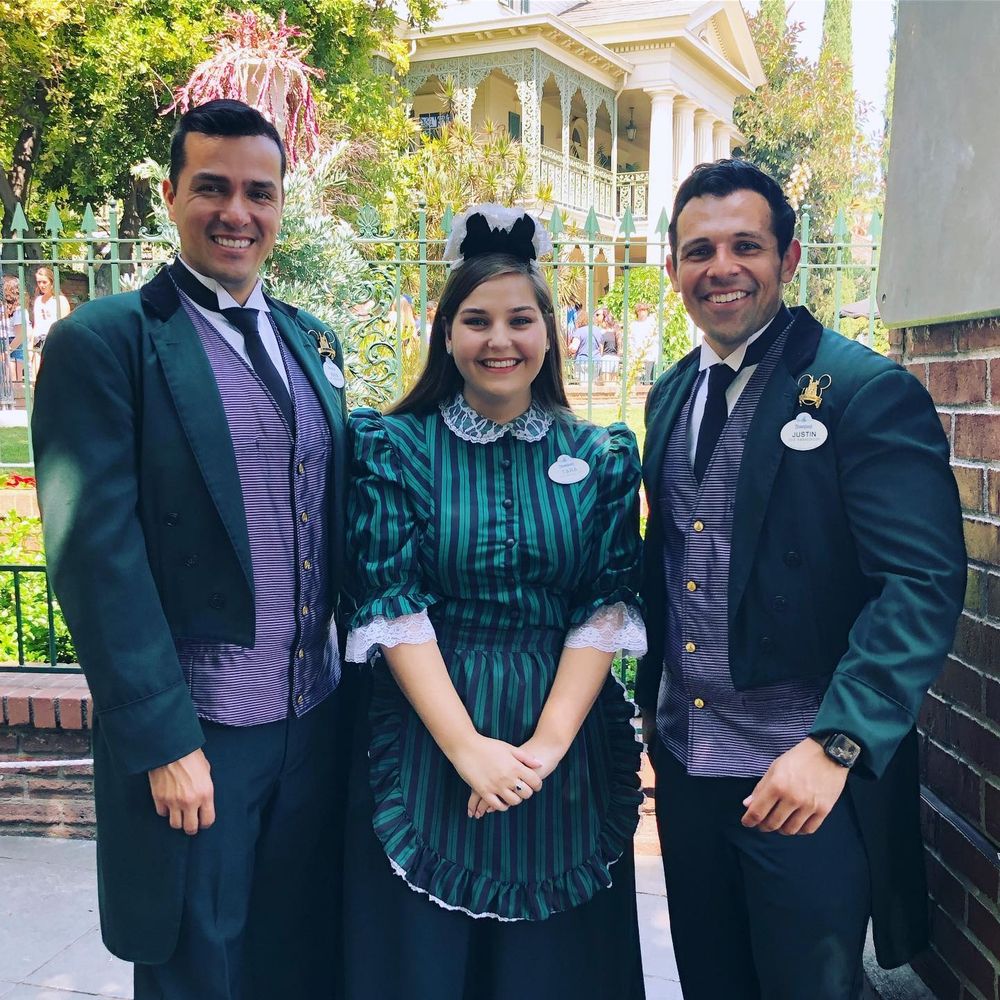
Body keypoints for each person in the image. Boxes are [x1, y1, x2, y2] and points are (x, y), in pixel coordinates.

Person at [32, 99, 349, 1000]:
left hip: (313, 721)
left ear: (283, 204)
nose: (236, 213)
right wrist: (165, 739)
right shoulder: (108, 342)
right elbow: (97, 556)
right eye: (212, 188)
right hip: (202, 736)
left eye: (260, 192)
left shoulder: (307, 339)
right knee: (198, 970)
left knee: (297, 959)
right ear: (172, 196)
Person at [637, 158, 966, 1000]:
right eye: (698, 249)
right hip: (687, 766)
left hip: (803, 777)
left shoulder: (864, 391)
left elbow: (921, 582)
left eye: (745, 245)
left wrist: (835, 745)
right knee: (712, 984)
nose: (721, 267)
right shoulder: (670, 395)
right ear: (673, 267)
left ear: (786, 258)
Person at [343, 203, 647, 1000]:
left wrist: (540, 752)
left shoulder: (601, 455)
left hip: (565, 741)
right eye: (476, 320)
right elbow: (393, 600)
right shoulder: (394, 446)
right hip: (428, 731)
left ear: (550, 331)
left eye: (519, 319)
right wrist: (469, 750)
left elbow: (602, 608)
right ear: (447, 334)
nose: (498, 339)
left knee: (554, 973)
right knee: (425, 967)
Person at [31, 266, 70, 370]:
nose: (41, 285)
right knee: (37, 376)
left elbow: (64, 325)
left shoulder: (60, 300)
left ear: (51, 282)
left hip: (53, 340)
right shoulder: (38, 300)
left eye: (44, 282)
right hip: (38, 340)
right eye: (39, 282)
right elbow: (36, 324)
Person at [1, 276, 29, 389]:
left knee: (14, 383)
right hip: (3, 341)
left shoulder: (19, 311)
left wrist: (6, 352)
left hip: (13, 346)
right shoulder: (3, 308)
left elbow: (20, 336)